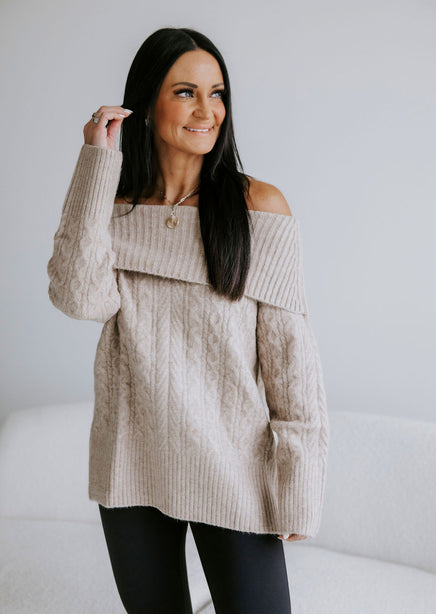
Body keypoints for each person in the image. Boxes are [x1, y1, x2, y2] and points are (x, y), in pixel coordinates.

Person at [47, 27, 329, 614]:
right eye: (185, 92)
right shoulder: (112, 208)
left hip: (233, 470)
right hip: (130, 464)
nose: (207, 111)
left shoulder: (258, 208)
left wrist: (298, 485)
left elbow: (292, 367)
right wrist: (96, 162)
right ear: (147, 104)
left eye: (217, 93)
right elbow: (78, 298)